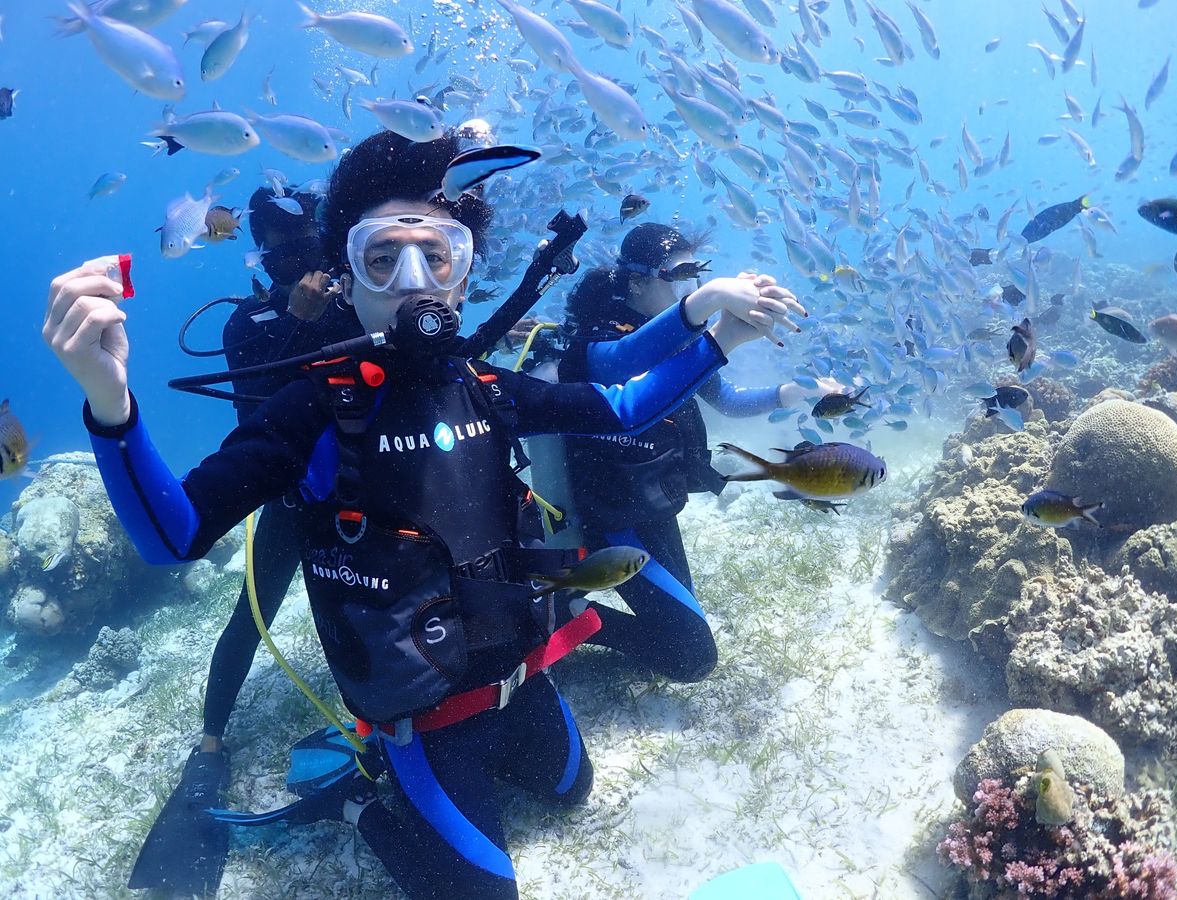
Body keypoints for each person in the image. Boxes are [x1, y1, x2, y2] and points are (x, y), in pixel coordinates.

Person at [42, 129, 800, 900]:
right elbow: (174, 536)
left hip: (519, 681)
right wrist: (110, 403)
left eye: (436, 255)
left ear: (464, 271)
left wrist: (719, 338)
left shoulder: (485, 387)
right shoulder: (313, 410)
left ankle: (454, 769)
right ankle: (362, 804)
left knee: (572, 791)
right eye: (383, 257)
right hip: (419, 724)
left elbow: (622, 406)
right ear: (346, 273)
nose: (414, 281)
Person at [126, 185, 363, 894]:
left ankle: (391, 716)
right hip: (294, 497)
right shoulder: (247, 322)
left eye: (308, 247)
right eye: (283, 250)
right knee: (250, 613)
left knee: (357, 610)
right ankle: (209, 744)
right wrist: (297, 322)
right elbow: (258, 416)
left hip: (366, 484)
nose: (300, 262)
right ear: (259, 250)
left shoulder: (358, 296)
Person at [552, 223, 810, 683]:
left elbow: (727, 400)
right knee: (691, 657)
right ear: (636, 280)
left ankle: (566, 607)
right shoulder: (594, 340)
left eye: (698, 274)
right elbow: (624, 362)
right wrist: (709, 304)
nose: (689, 285)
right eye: (681, 273)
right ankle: (564, 613)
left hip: (655, 504)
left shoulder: (681, 337)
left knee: (681, 629)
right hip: (614, 515)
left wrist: (789, 393)